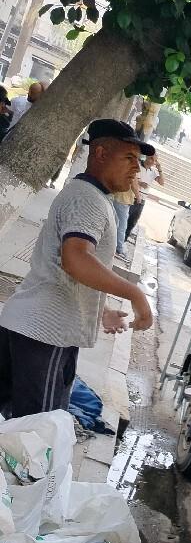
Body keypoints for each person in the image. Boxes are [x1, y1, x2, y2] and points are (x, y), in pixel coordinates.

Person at [0, 119, 154, 418]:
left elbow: (65, 269)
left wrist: (99, 311)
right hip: (44, 335)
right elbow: (75, 260)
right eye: (129, 158)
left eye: (138, 161)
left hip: (31, 328)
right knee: (36, 431)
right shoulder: (87, 199)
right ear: (100, 153)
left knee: (16, 430)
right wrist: (135, 293)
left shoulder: (90, 196)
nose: (137, 168)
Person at [126, 152, 164, 240]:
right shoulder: (138, 165)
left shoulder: (153, 171)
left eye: (154, 160)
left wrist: (160, 169)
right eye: (151, 158)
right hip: (132, 197)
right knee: (124, 220)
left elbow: (162, 183)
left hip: (142, 201)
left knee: (132, 222)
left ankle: (123, 241)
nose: (152, 161)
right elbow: (131, 178)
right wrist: (140, 183)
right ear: (147, 157)